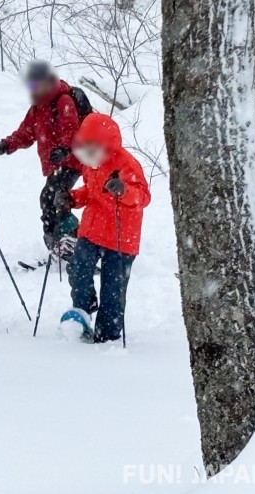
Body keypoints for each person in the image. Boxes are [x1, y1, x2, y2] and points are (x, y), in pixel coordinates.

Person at [55, 113, 150, 343]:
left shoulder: (127, 164)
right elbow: (90, 191)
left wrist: (124, 190)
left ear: (103, 144)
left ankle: (106, 336)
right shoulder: (92, 163)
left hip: (121, 237)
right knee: (78, 268)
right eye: (83, 145)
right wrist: (71, 198)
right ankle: (82, 311)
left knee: (113, 289)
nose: (85, 151)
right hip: (92, 230)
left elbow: (143, 197)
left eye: (90, 146)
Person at [0, 60, 86, 256]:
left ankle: (72, 241)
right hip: (56, 164)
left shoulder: (63, 100)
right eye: (29, 85)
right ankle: (62, 240)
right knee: (52, 199)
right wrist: (2, 146)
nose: (31, 89)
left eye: (34, 84)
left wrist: (64, 149)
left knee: (52, 198)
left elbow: (71, 130)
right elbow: (24, 134)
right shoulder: (37, 108)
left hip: (70, 161)